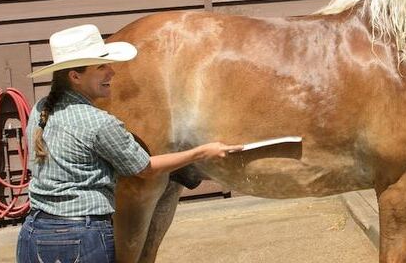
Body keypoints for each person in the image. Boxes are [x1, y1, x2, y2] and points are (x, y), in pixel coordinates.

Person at [16, 24, 242, 263]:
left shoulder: (40, 109)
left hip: (34, 232)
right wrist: (201, 152)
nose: (112, 73)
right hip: (83, 237)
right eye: (101, 66)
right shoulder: (99, 123)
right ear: (75, 76)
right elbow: (145, 168)